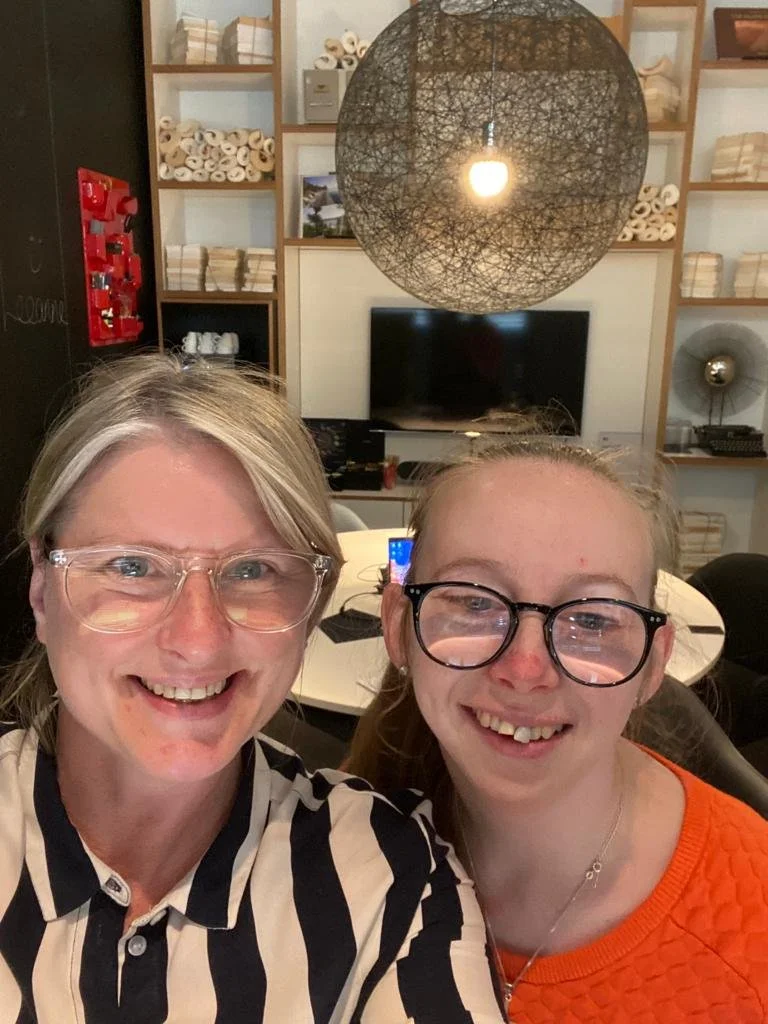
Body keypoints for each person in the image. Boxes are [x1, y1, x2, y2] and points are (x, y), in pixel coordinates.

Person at [0, 354, 504, 1023]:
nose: (198, 638)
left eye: (252, 569)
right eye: (132, 565)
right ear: (42, 589)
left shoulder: (390, 880)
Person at [347, 437, 768, 1022]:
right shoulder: (334, 854)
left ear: (653, 664)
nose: (524, 671)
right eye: (472, 603)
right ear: (399, 626)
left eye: (592, 618)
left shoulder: (751, 937)